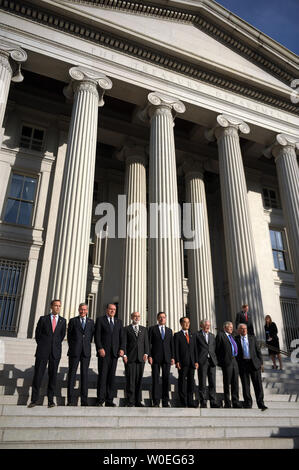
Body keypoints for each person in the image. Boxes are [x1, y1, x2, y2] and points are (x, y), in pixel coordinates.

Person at [28, 299, 66, 408]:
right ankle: (34, 400)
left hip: (55, 352)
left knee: (53, 376)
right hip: (42, 351)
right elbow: (38, 334)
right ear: (51, 306)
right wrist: (43, 345)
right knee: (38, 375)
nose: (57, 308)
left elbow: (61, 335)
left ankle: (50, 401)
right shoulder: (43, 319)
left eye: (59, 306)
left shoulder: (63, 321)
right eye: (56, 305)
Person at [94, 303, 125, 407]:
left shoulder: (119, 322)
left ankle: (109, 400)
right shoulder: (100, 320)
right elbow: (97, 336)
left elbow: (122, 338)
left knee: (111, 377)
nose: (112, 311)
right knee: (102, 376)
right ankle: (100, 399)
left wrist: (122, 349)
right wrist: (100, 348)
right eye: (111, 309)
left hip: (114, 354)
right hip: (104, 353)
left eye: (114, 309)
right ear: (107, 309)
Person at [67, 303, 95, 406]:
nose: (83, 311)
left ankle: (84, 401)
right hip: (74, 351)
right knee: (72, 375)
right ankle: (70, 400)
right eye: (81, 309)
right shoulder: (73, 321)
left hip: (86, 352)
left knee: (85, 376)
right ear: (79, 310)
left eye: (85, 309)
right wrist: (74, 346)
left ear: (87, 310)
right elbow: (69, 336)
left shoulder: (91, 322)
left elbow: (91, 335)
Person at [235, 323, 267, 411]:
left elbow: (258, 351)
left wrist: (261, 362)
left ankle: (261, 403)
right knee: (245, 385)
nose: (244, 330)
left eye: (245, 328)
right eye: (242, 328)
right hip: (243, 364)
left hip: (254, 364)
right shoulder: (236, 339)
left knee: (258, 385)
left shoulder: (252, 338)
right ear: (239, 330)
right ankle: (248, 403)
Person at [148, 312, 175, 407]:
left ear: (166, 319)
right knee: (155, 379)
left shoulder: (169, 331)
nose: (162, 319)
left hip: (167, 358)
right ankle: (155, 401)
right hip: (155, 358)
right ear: (157, 318)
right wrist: (149, 356)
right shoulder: (152, 329)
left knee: (166, 380)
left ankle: (165, 401)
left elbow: (172, 345)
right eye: (160, 317)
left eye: (163, 317)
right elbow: (149, 344)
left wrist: (172, 357)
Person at [123, 312, 149, 407]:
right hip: (130, 358)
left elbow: (146, 343)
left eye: (138, 316)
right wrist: (124, 355)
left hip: (141, 358)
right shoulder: (126, 329)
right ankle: (130, 401)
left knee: (139, 380)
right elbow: (124, 343)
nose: (136, 318)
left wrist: (146, 353)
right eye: (135, 316)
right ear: (131, 317)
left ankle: (138, 401)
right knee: (130, 380)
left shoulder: (144, 329)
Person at [216, 321, 242, 408]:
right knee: (227, 383)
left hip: (234, 361)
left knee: (235, 382)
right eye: (230, 327)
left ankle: (235, 401)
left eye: (232, 327)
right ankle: (227, 402)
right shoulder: (221, 335)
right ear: (225, 328)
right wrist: (221, 362)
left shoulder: (233, 337)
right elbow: (217, 349)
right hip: (226, 362)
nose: (232, 329)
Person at [174, 317, 199, 408]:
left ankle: (190, 401)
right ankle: (182, 401)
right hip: (182, 363)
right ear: (181, 324)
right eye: (185, 322)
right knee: (182, 382)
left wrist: (196, 361)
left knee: (191, 383)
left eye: (188, 322)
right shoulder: (177, 335)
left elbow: (195, 349)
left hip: (192, 363)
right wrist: (177, 361)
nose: (187, 324)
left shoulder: (192, 335)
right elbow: (176, 349)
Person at [196, 319, 220, 408]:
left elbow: (215, 348)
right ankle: (203, 402)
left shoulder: (212, 336)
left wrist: (216, 359)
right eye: (206, 324)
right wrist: (196, 361)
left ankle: (213, 401)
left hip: (212, 361)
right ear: (201, 325)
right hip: (202, 361)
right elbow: (195, 349)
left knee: (212, 382)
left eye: (209, 325)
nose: (207, 326)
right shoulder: (197, 335)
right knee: (202, 382)